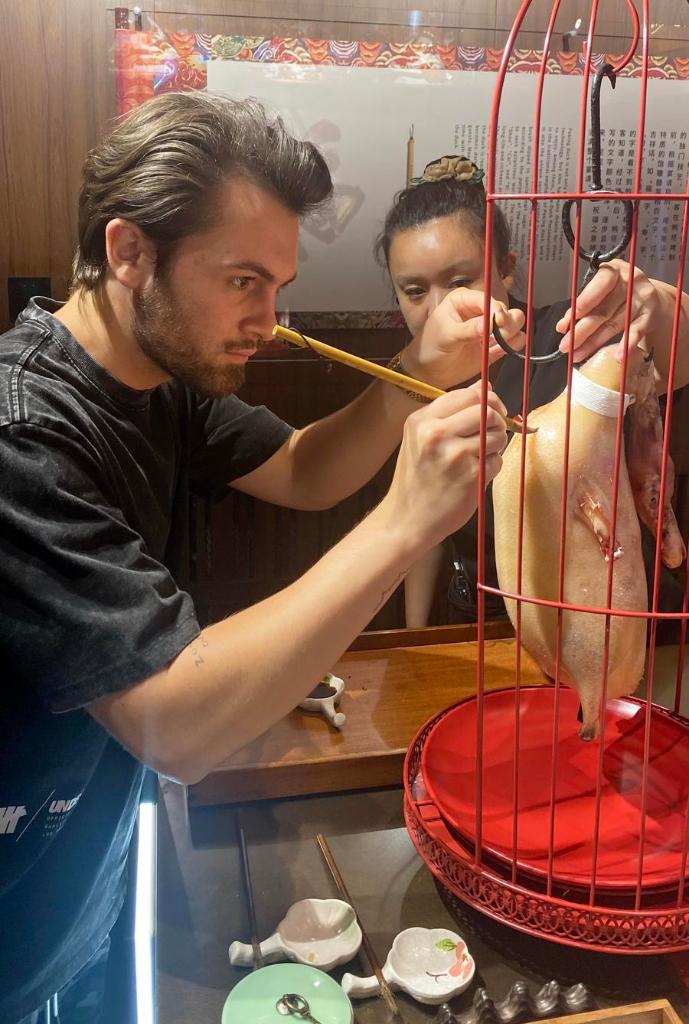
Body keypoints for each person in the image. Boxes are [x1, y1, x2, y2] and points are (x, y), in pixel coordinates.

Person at [0, 95, 524, 1024]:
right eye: (243, 281)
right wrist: (404, 522)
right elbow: (176, 727)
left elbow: (304, 469)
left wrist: (417, 366)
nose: (270, 321)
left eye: (276, 285)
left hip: (87, 878)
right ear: (129, 252)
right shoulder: (24, 435)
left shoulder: (158, 377)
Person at [375, 155, 689, 628]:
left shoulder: (570, 335)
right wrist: (414, 639)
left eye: (460, 281)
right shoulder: (412, 382)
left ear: (506, 269)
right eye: (415, 291)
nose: (440, 308)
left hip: (613, 616)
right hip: (485, 621)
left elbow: (673, 356)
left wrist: (659, 307)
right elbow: (423, 527)